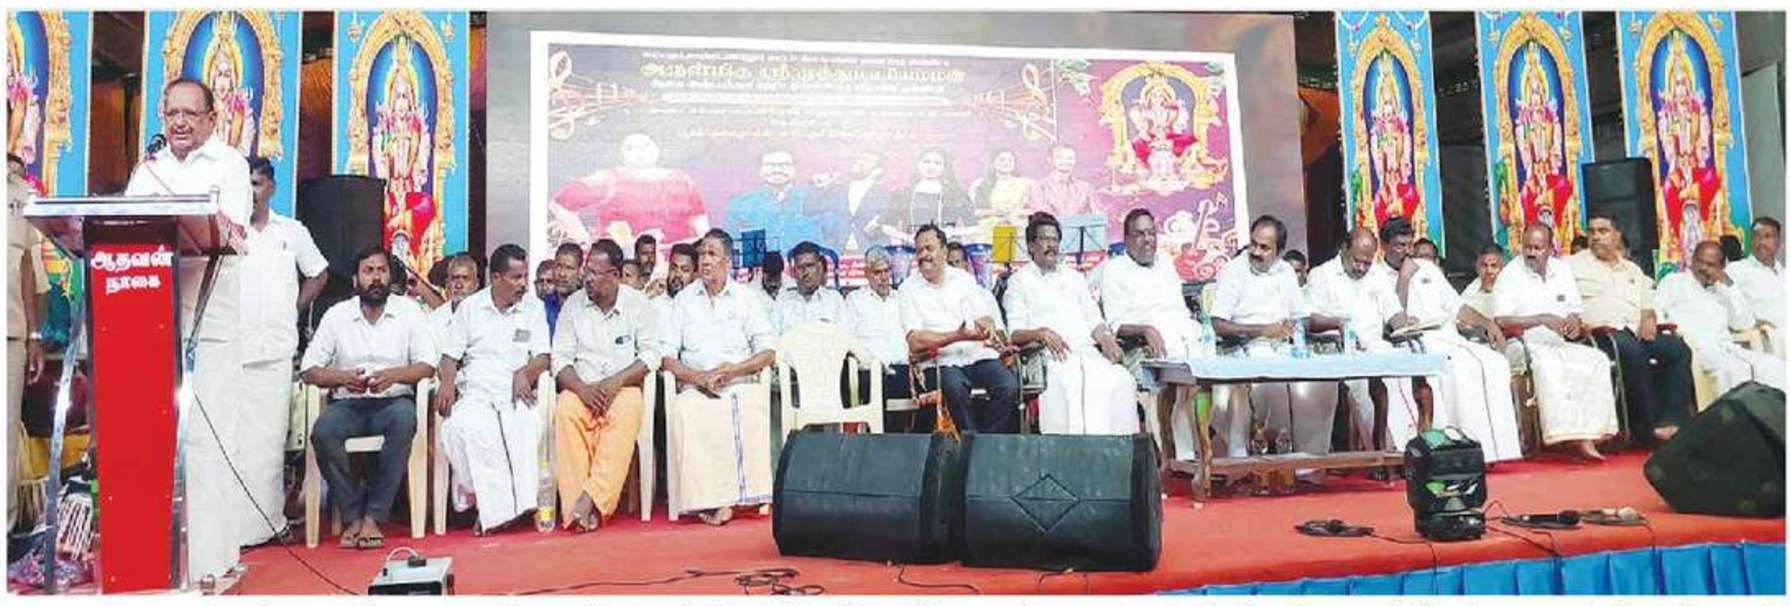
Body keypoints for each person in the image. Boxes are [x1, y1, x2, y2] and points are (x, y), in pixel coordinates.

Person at [123, 78, 252, 580]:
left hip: (209, 320)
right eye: (172, 113)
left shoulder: (229, 165)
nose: (179, 122)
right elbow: (125, 230)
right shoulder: (148, 170)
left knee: (207, 443)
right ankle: (156, 561)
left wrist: (186, 217)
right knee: (153, 444)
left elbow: (233, 232)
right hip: (149, 319)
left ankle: (211, 563)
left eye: (190, 114)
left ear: (210, 119)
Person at [299, 247, 435, 549]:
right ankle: (352, 515)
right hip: (349, 403)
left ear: (389, 277)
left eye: (382, 271)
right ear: (355, 279)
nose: (376, 278)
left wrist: (395, 375)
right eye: (368, 271)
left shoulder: (409, 312)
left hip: (394, 401)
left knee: (404, 421)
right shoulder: (337, 315)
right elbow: (309, 369)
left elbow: (427, 365)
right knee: (323, 432)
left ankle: (374, 515)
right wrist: (343, 378)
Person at [234, 156, 328, 546]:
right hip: (230, 351)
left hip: (274, 350)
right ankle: (231, 529)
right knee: (233, 443)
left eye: (256, 184)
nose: (250, 193)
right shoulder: (227, 230)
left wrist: (294, 307)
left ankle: (268, 524)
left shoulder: (291, 231)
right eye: (244, 185)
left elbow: (318, 273)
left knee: (269, 443)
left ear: (271, 187)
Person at [1376, 219, 1522, 462]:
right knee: (1459, 369)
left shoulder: (1427, 268)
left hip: (1449, 335)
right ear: (1384, 245)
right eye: (1400, 246)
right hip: (1413, 343)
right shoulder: (1377, 276)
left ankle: (1493, 450)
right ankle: (1452, 452)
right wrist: (1403, 279)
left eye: (1409, 244)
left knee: (1494, 363)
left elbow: (1457, 307)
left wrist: (1487, 324)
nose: (1407, 251)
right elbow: (1392, 322)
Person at [660, 229, 778, 526]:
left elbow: (768, 351)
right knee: (687, 409)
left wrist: (733, 370)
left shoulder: (746, 298)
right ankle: (708, 500)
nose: (704, 260)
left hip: (738, 382)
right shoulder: (684, 300)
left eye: (712, 254)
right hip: (697, 386)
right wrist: (699, 377)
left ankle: (741, 498)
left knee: (746, 404)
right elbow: (666, 357)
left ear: (728, 262)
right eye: (701, 254)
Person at [435, 244, 552, 533]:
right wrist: (447, 383)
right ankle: (491, 506)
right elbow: (449, 356)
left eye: (524, 276)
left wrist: (526, 372)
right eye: (516, 277)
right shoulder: (470, 308)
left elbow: (543, 356)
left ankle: (508, 508)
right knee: (459, 429)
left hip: (516, 392)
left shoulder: (533, 309)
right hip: (476, 391)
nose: (523, 284)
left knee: (523, 426)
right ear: (496, 278)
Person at [551, 240, 656, 532]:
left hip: (622, 388)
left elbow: (651, 355)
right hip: (581, 388)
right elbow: (560, 358)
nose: (587, 278)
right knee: (565, 409)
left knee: (629, 406)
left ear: (615, 275)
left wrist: (617, 381)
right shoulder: (573, 306)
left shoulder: (638, 304)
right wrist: (582, 389)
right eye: (587, 271)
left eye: (595, 273)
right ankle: (575, 509)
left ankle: (592, 501)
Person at [1209, 215, 1334, 458]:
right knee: (1271, 381)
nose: (1256, 252)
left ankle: (1308, 460)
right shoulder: (1234, 271)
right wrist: (1263, 330)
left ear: (1279, 251)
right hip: (1246, 348)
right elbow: (1218, 324)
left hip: (1286, 348)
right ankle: (1265, 455)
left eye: (1264, 248)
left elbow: (1301, 318)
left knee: (1321, 384)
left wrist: (1304, 326)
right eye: (1253, 244)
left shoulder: (1286, 271)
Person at [1493, 224, 1619, 460]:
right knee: (1548, 366)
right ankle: (1562, 436)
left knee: (1596, 360)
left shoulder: (1562, 270)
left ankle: (1592, 433)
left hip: (1558, 342)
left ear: (1550, 249)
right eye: (1527, 247)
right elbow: (1501, 321)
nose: (1531, 253)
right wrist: (1540, 319)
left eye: (1537, 248)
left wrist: (1573, 322)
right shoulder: (1510, 275)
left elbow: (1574, 310)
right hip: (1522, 343)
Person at [1003, 212, 1137, 435]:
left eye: (1055, 239)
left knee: (1120, 380)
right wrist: (1040, 333)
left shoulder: (1075, 278)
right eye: (1045, 239)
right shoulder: (1019, 282)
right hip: (1050, 356)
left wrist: (1106, 339)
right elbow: (1014, 333)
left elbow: (1094, 319)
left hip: (1088, 353)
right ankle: (1071, 452)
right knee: (1069, 384)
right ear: (1031, 246)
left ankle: (1115, 451)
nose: (1051, 245)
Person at [1569, 213, 1693, 443]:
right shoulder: (1572, 266)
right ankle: (1647, 427)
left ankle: (1672, 421)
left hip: (1635, 332)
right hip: (1600, 335)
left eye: (1603, 231)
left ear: (1617, 235)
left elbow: (1647, 305)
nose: (1596, 237)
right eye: (1592, 232)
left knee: (1678, 349)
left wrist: (1648, 319)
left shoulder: (1632, 270)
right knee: (1632, 352)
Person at [1097, 209, 1206, 459]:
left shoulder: (1165, 263)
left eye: (1151, 233)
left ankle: (1204, 453)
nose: (1147, 240)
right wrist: (1145, 329)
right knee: (1173, 381)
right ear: (1126, 239)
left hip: (1184, 337)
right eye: (1140, 234)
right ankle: (1178, 457)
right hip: (1141, 347)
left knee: (1213, 378)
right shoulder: (1114, 270)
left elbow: (1179, 310)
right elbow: (1116, 324)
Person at [900, 224, 1021, 434]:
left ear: (944, 252)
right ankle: (971, 442)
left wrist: (988, 328)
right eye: (919, 251)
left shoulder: (963, 279)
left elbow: (984, 317)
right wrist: (956, 336)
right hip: (941, 362)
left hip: (977, 355)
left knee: (1008, 385)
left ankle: (982, 443)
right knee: (954, 388)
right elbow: (915, 341)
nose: (923, 255)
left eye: (929, 248)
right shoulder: (908, 289)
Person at [1656, 241, 1785, 394]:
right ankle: (1734, 410)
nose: (1703, 268)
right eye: (1700, 262)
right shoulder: (1675, 281)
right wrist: (1670, 333)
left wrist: (1728, 285)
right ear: (1692, 260)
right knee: (1736, 371)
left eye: (1710, 265)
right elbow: (1656, 310)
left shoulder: (1723, 288)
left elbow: (1743, 324)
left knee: (1776, 367)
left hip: (1727, 347)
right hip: (1698, 349)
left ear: (1721, 267)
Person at [549, 133, 707, 245]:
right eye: (631, 148)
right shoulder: (608, 179)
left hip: (676, 264)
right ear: (620, 152)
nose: (641, 152)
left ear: (657, 148)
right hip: (626, 266)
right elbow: (559, 205)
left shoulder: (679, 179)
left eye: (646, 145)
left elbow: (699, 218)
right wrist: (585, 241)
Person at [7, 171, 47, 532]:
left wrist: (34, 334)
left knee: (5, 437)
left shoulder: (19, 191)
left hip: (10, 332)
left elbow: (26, 268)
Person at [847, 247, 920, 431]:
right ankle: (882, 441)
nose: (883, 277)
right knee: (876, 383)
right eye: (877, 272)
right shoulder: (855, 300)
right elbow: (849, 341)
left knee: (920, 383)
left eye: (887, 271)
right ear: (867, 273)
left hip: (902, 368)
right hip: (870, 369)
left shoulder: (902, 299)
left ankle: (900, 441)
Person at [725, 150, 821, 252]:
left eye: (784, 165)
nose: (777, 170)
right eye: (770, 165)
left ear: (795, 169)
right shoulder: (740, 205)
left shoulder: (816, 201)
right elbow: (732, 247)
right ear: (760, 170)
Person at [813, 151, 895, 254]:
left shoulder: (884, 194)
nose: (860, 161)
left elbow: (889, 219)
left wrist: (878, 223)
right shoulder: (837, 189)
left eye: (867, 160)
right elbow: (812, 208)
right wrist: (822, 185)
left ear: (877, 171)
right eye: (860, 158)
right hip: (838, 250)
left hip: (871, 252)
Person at [1728, 217, 1783, 354]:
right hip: (1765, 340)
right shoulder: (1737, 270)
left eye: (1767, 237)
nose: (1761, 242)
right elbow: (1723, 304)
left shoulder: (1785, 274)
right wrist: (1752, 322)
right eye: (1756, 237)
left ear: (1778, 242)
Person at [896, 148, 974, 238]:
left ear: (945, 167)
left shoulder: (956, 194)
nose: (931, 166)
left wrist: (951, 232)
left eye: (937, 163)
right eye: (926, 161)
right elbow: (887, 225)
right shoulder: (905, 193)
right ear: (918, 165)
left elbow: (973, 227)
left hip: (947, 244)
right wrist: (907, 237)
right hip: (912, 244)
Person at [774, 241, 845, 332]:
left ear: (819, 268)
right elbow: (772, 337)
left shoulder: (834, 300)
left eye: (810, 266)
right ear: (793, 271)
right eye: (800, 267)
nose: (806, 272)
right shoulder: (782, 301)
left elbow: (846, 336)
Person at [970, 148, 1035, 240]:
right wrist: (996, 212)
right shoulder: (981, 184)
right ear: (993, 162)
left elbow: (1035, 210)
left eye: (1010, 160)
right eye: (1002, 160)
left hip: (1018, 229)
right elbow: (975, 212)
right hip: (989, 231)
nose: (1006, 163)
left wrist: (1017, 212)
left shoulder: (1026, 184)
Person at [1025, 144, 1101, 217]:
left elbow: (1098, 214)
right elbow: (1040, 214)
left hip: (1080, 226)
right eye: (1059, 157)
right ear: (1050, 160)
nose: (1065, 161)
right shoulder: (1039, 187)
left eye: (1070, 158)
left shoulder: (1085, 187)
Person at [546, 242, 585, 337]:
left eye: (569, 268)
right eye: (558, 266)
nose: (562, 274)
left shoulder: (589, 306)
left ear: (580, 272)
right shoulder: (542, 307)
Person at [1460, 244, 1505, 319]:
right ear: (1477, 267)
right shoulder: (1471, 291)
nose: (1489, 271)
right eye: (1484, 265)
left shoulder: (1510, 289)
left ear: (1502, 267)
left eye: (1493, 266)